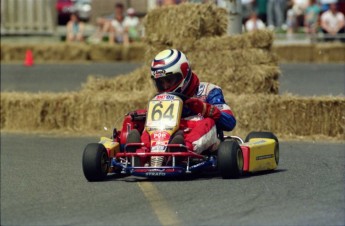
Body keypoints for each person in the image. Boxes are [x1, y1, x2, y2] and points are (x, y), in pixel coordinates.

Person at [138, 49, 236, 154]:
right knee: (150, 124)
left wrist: (204, 109)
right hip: (166, 137)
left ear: (184, 74)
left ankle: (183, 149)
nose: (165, 86)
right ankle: (142, 150)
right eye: (161, 82)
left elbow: (230, 122)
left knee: (208, 121)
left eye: (169, 80)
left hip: (200, 141)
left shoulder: (209, 91)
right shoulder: (161, 99)